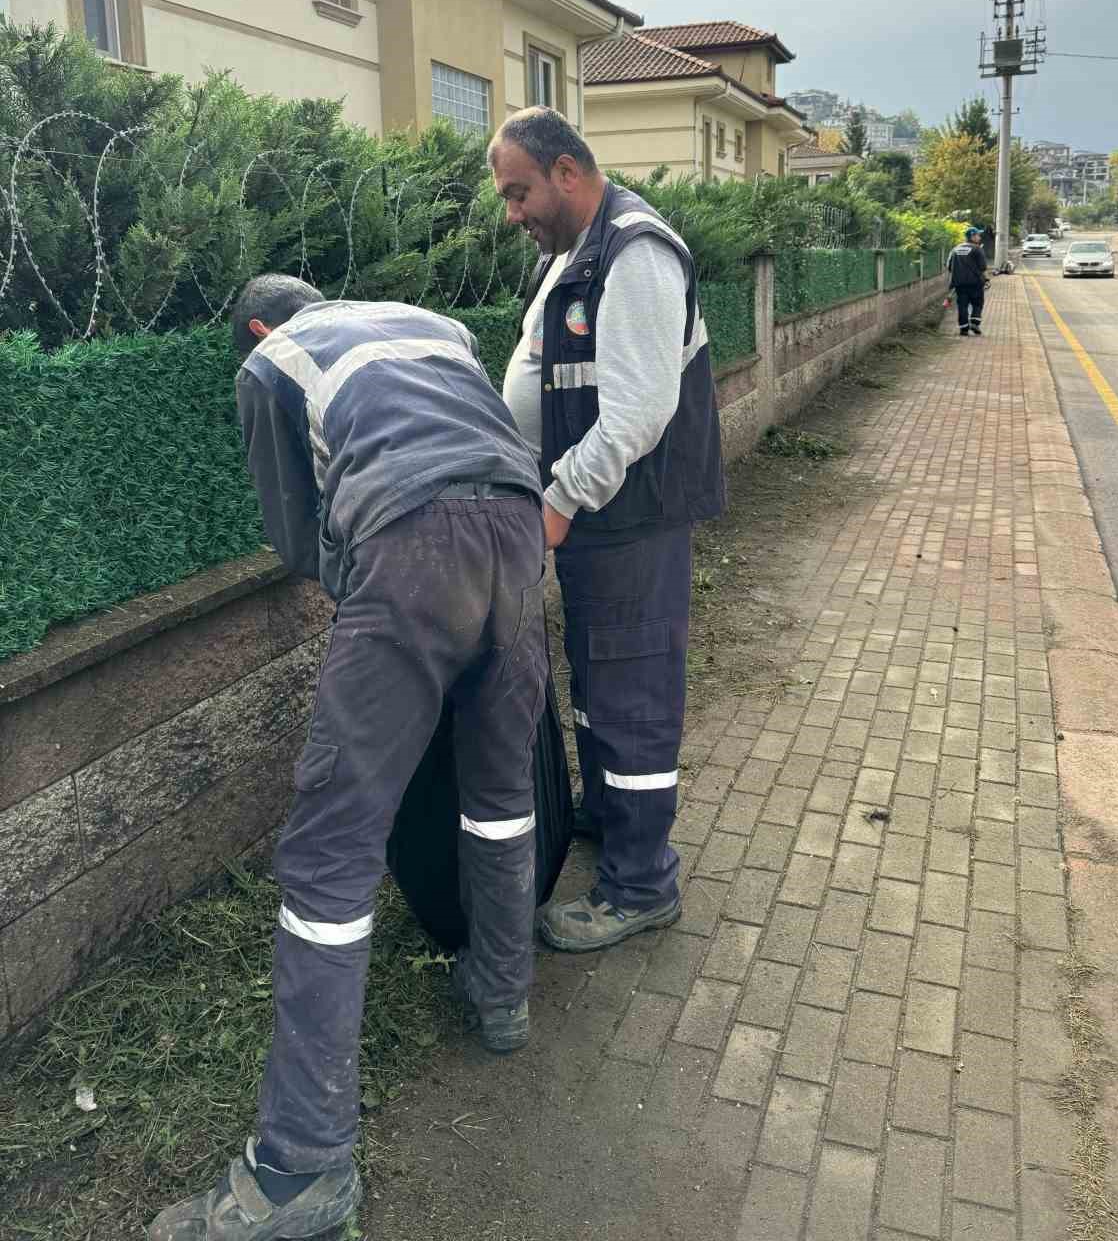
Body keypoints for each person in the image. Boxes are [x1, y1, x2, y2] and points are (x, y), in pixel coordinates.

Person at [151, 277, 546, 1241]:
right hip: (520, 529)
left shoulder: (270, 361)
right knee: (498, 791)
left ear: (253, 325)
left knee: (328, 853)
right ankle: (502, 995)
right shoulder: (432, 324)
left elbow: (293, 531)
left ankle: (302, 1167)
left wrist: (370, 601)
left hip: (411, 547)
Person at [489, 107, 725, 955]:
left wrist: (556, 501)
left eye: (519, 193)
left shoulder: (638, 253)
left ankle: (640, 884)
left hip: (629, 521)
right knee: (598, 681)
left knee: (632, 693)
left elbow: (637, 414)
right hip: (597, 519)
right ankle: (613, 816)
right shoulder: (573, 257)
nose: (511, 212)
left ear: (566, 172)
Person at [948, 226, 989, 336]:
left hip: (959, 284)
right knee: (977, 303)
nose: (979, 237)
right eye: (978, 235)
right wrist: (987, 280)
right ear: (972, 236)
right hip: (975, 283)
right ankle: (975, 323)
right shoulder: (977, 249)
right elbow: (983, 267)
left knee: (962, 305)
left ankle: (964, 328)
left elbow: (948, 266)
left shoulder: (955, 249)